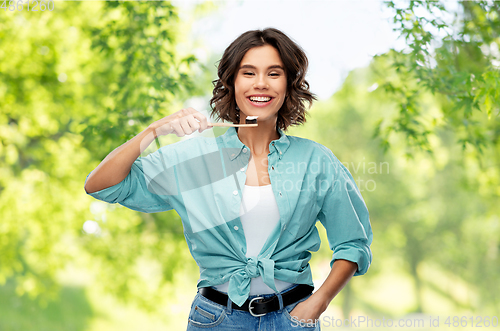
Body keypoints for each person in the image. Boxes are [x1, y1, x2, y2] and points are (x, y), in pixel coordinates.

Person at [84, 28, 373, 331]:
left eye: (274, 74)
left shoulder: (316, 160)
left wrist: (319, 303)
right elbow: (101, 185)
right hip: (216, 321)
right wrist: (154, 131)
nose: (260, 83)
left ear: (289, 85)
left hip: (293, 320)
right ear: (232, 82)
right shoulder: (194, 158)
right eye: (248, 73)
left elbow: (353, 243)